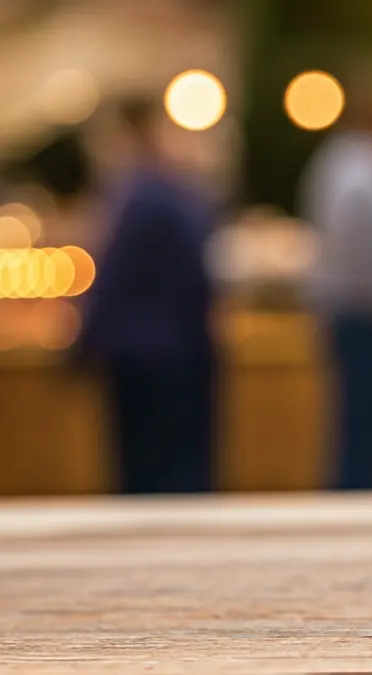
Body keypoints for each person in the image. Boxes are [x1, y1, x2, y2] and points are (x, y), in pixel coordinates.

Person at [77, 96, 218, 494]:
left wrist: (83, 342)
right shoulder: (177, 194)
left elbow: (113, 278)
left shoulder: (140, 197)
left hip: (144, 357)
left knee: (146, 480)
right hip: (180, 351)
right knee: (180, 474)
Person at [298, 67, 372, 490]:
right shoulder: (364, 167)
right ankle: (357, 501)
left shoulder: (341, 159)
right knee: (367, 420)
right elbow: (359, 242)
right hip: (361, 310)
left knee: (362, 419)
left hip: (351, 308)